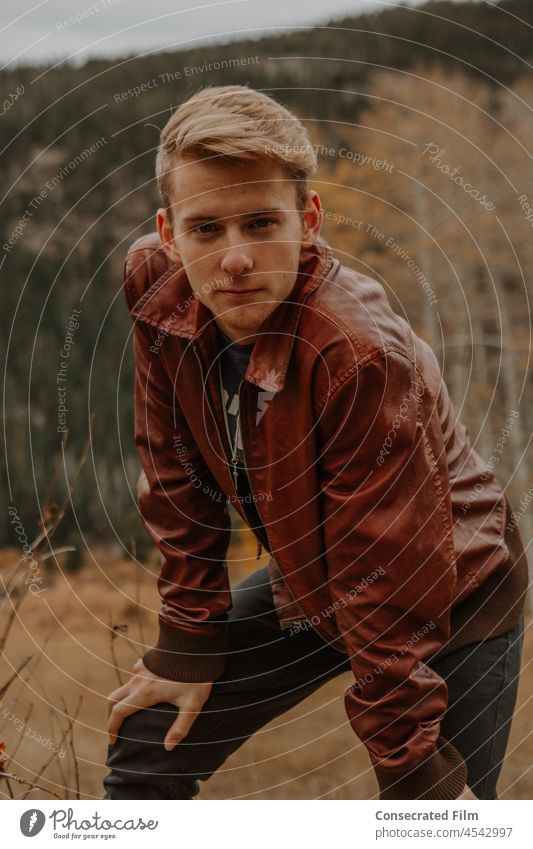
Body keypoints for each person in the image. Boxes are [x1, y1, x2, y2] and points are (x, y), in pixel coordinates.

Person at [103, 85, 529, 800]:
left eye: (262, 223)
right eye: (206, 230)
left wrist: (412, 768)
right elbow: (173, 467)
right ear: (169, 234)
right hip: (311, 577)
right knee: (148, 740)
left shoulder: (358, 352)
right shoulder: (158, 286)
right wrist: (188, 643)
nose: (235, 259)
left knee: (433, 818)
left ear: (308, 220)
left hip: (449, 590)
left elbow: (387, 567)